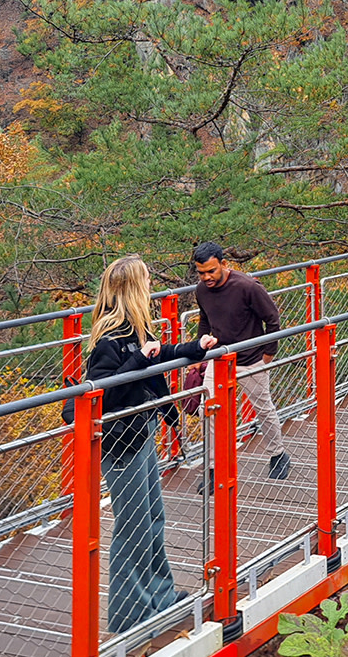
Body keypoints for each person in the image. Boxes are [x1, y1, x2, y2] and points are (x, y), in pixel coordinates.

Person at [82, 255, 217, 633]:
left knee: (152, 519)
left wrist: (194, 347)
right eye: (145, 282)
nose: (150, 289)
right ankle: (130, 615)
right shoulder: (108, 341)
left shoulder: (136, 330)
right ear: (132, 291)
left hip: (140, 434)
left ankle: (162, 595)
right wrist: (140, 359)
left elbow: (157, 356)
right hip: (120, 444)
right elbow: (102, 395)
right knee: (132, 525)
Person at [192, 241, 290, 480]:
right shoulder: (201, 290)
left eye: (211, 271)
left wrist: (267, 355)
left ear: (224, 264)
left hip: (250, 359)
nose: (207, 277)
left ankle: (278, 455)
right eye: (201, 272)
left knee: (263, 408)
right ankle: (215, 468)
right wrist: (199, 350)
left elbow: (273, 319)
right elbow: (205, 319)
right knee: (210, 410)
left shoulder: (247, 287)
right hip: (219, 358)